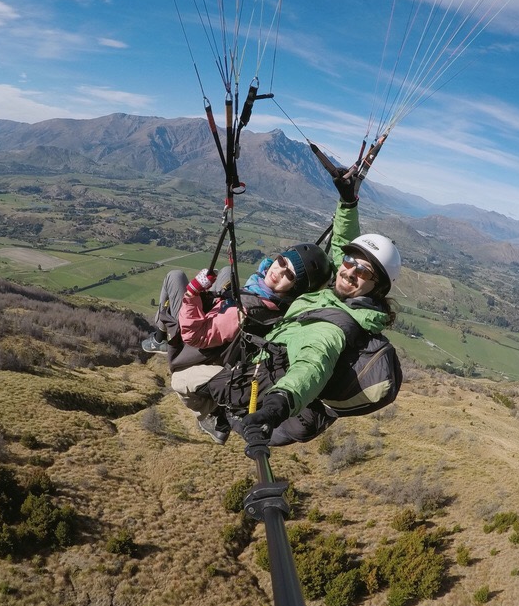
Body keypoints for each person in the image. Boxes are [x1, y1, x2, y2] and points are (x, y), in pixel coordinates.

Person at [197, 169, 402, 453]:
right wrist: (347, 203)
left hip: (263, 391)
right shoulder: (337, 295)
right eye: (348, 261)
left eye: (363, 271)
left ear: (377, 288)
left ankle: (219, 420)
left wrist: (278, 405)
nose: (349, 271)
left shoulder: (333, 327)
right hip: (263, 363)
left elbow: (312, 366)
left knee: (183, 378)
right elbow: (344, 242)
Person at [141, 243, 332, 442]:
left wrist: (192, 293)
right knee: (225, 272)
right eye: (282, 261)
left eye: (290, 276)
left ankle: (160, 337)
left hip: (199, 340)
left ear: (296, 287)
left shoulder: (243, 311)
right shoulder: (278, 301)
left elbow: (193, 335)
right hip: (229, 332)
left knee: (175, 277)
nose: (279, 271)